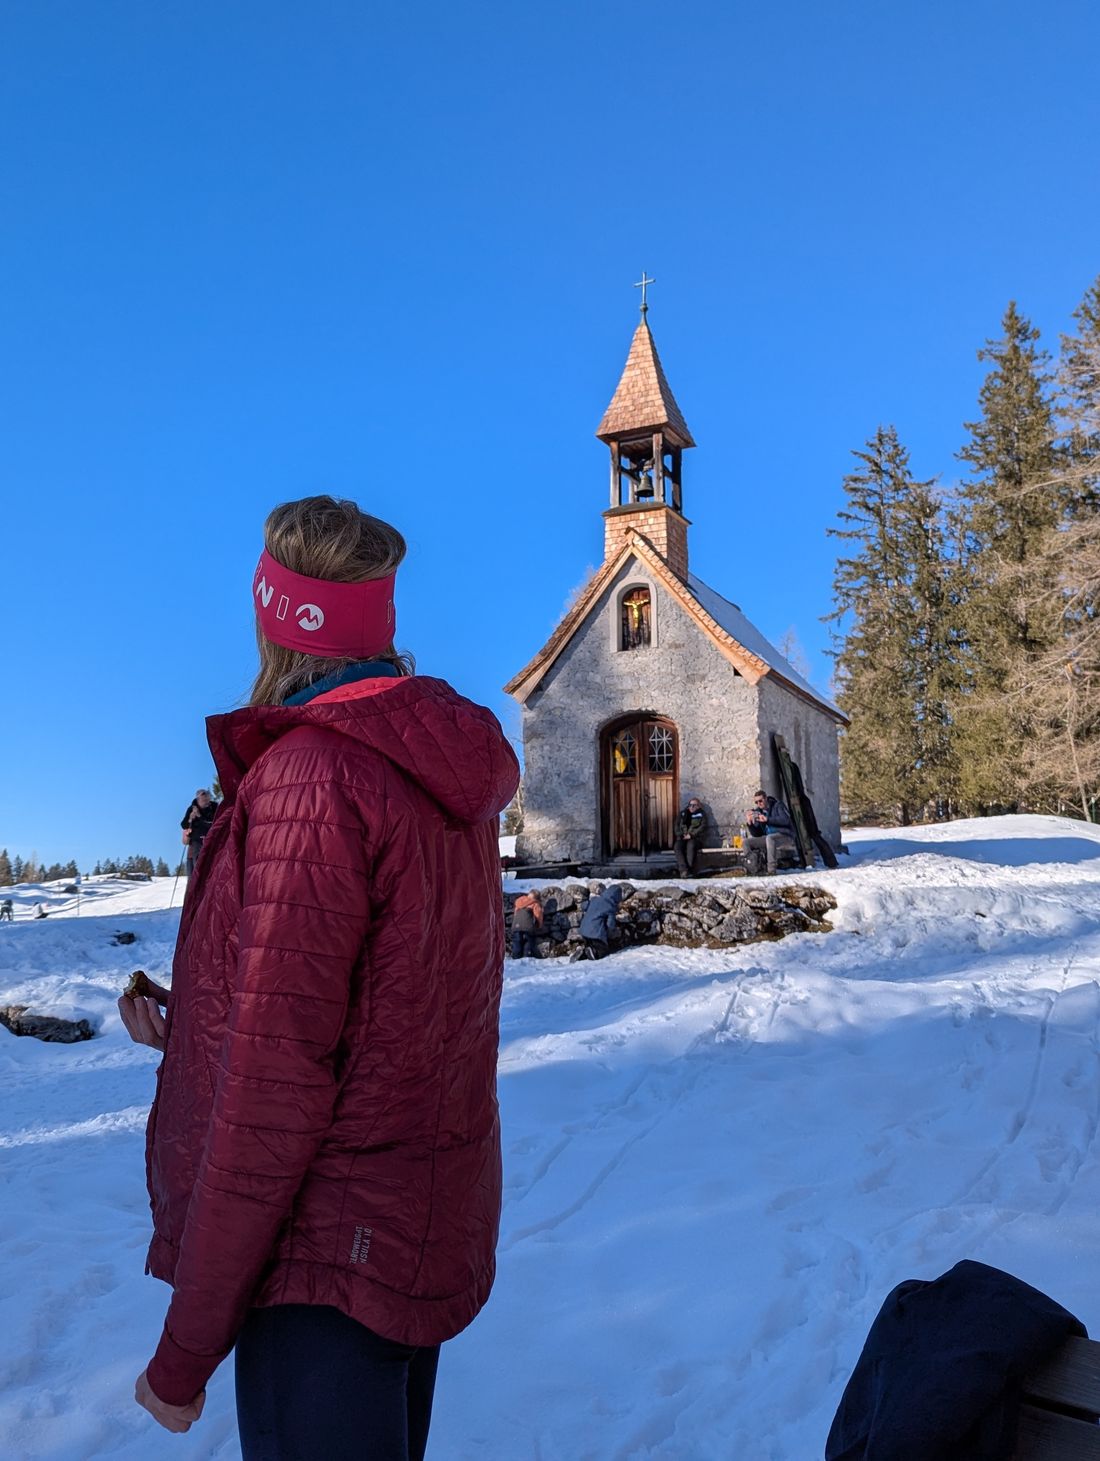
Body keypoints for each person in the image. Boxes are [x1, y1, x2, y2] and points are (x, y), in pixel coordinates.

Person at [117, 495, 520, 1459]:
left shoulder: (312, 778)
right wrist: (194, 1026)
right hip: (404, 1230)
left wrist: (185, 1353)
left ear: (276, 621)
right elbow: (390, 1012)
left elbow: (274, 1086)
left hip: (321, 1258)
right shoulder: (430, 774)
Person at [745, 789, 798, 876]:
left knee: (770, 838)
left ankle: (771, 870)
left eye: (760, 801)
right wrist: (750, 824)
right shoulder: (758, 811)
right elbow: (757, 834)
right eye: (756, 802)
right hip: (769, 838)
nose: (759, 804)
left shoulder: (778, 805)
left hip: (785, 835)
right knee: (747, 842)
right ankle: (752, 868)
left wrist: (768, 820)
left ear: (766, 798)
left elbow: (785, 820)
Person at [574, 883, 634, 960]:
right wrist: (613, 929)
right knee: (602, 949)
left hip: (583, 930)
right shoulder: (610, 907)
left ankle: (582, 951)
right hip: (595, 933)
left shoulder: (595, 899)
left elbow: (584, 906)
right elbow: (610, 924)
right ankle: (592, 952)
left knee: (590, 944)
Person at [180, 789, 218, 876]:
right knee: (195, 871)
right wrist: (190, 818)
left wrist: (199, 816)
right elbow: (183, 825)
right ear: (198, 800)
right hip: (195, 842)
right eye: (204, 800)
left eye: (208, 800)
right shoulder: (192, 808)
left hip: (211, 842)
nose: (207, 802)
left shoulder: (214, 807)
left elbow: (214, 824)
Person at [674, 797, 706, 875]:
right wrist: (681, 835)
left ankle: (689, 869)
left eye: (694, 805)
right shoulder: (682, 814)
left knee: (691, 846)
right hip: (683, 837)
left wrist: (691, 835)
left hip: (695, 838)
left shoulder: (701, 815)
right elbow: (677, 826)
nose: (691, 807)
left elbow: (702, 827)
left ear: (698, 806)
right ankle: (683, 869)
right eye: (690, 805)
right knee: (677, 846)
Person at [510, 891, 543, 959]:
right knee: (529, 941)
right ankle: (526, 956)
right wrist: (539, 924)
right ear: (536, 898)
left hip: (516, 926)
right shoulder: (535, 903)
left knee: (517, 942)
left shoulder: (519, 902)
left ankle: (516, 957)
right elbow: (538, 914)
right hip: (528, 926)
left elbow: (515, 914)